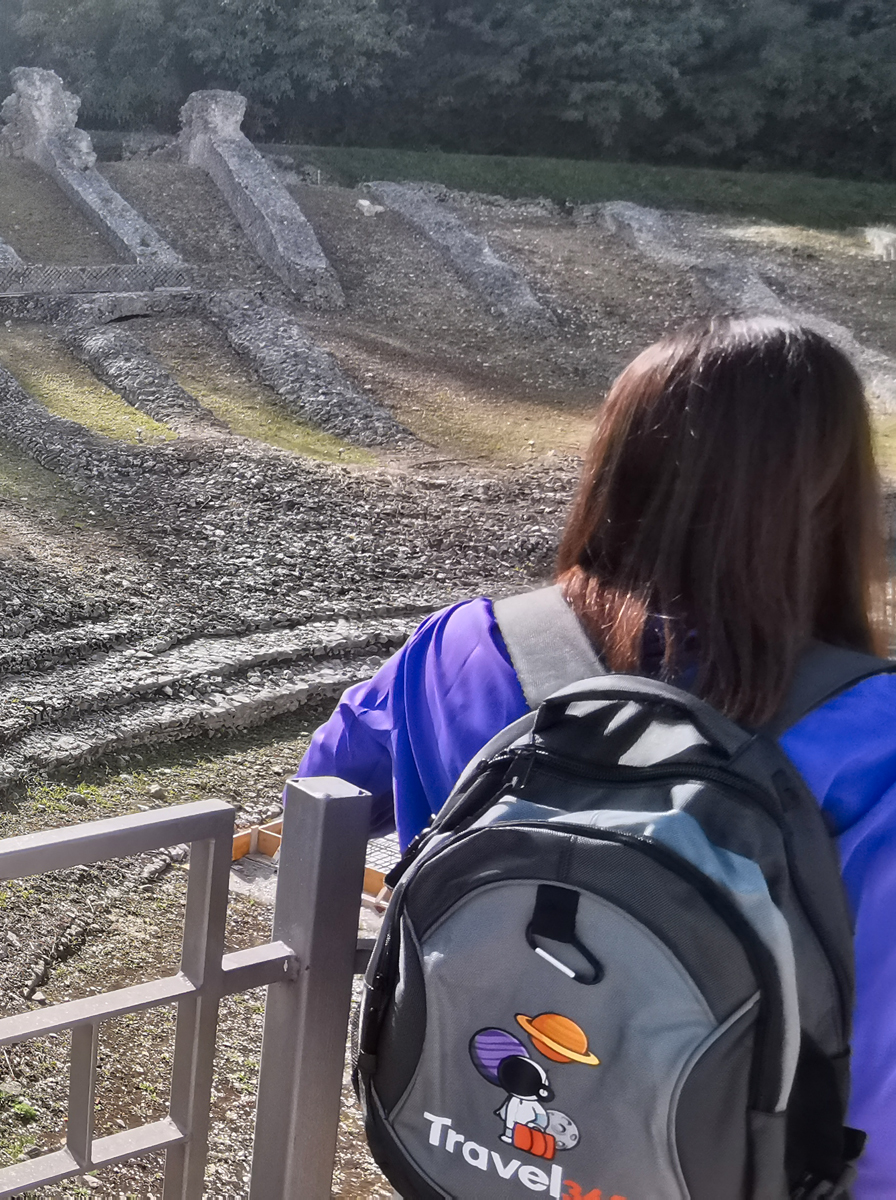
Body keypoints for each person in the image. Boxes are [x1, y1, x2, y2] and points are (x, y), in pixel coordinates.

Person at [300, 315, 896, 1194]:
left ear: (616, 466)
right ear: (835, 497)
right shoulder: (875, 735)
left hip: (467, 1152)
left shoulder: (466, 647)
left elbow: (325, 787)